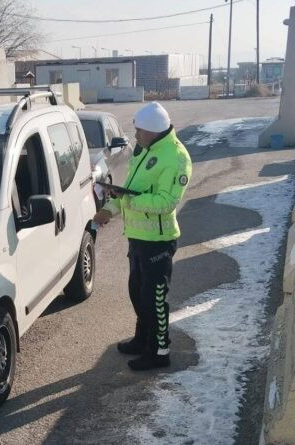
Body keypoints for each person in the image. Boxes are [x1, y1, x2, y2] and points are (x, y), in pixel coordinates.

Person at [93, 102, 192, 371]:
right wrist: (109, 210)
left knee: (155, 299)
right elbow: (130, 190)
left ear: (153, 130)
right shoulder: (144, 150)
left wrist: (128, 201)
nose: (135, 135)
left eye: (139, 131)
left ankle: (160, 351)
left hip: (158, 241)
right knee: (137, 293)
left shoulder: (176, 158)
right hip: (137, 238)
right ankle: (142, 339)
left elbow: (166, 202)